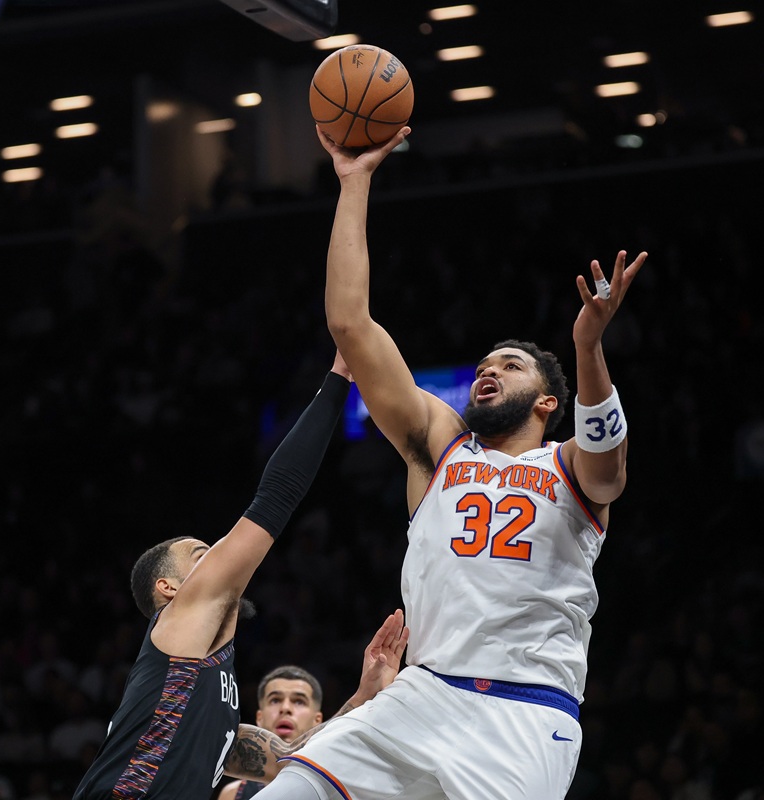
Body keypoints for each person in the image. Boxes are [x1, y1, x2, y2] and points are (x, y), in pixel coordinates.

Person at [255, 127, 648, 800]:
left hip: (524, 715)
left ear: (548, 401)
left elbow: (610, 466)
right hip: (422, 695)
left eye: (512, 365)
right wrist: (353, 184)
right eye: (485, 365)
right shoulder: (441, 446)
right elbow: (351, 325)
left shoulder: (571, 464)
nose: (490, 371)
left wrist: (587, 346)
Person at [72, 352, 408, 800]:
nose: (218, 560)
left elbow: (292, 758)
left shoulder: (213, 700)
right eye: (201, 556)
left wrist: (363, 695)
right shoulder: (178, 626)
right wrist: (339, 379)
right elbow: (277, 494)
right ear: (169, 589)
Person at [218, 666, 326, 800]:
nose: (285, 708)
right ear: (260, 717)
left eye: (299, 701)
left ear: (318, 721)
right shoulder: (233, 794)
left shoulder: (334, 789)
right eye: (275, 700)